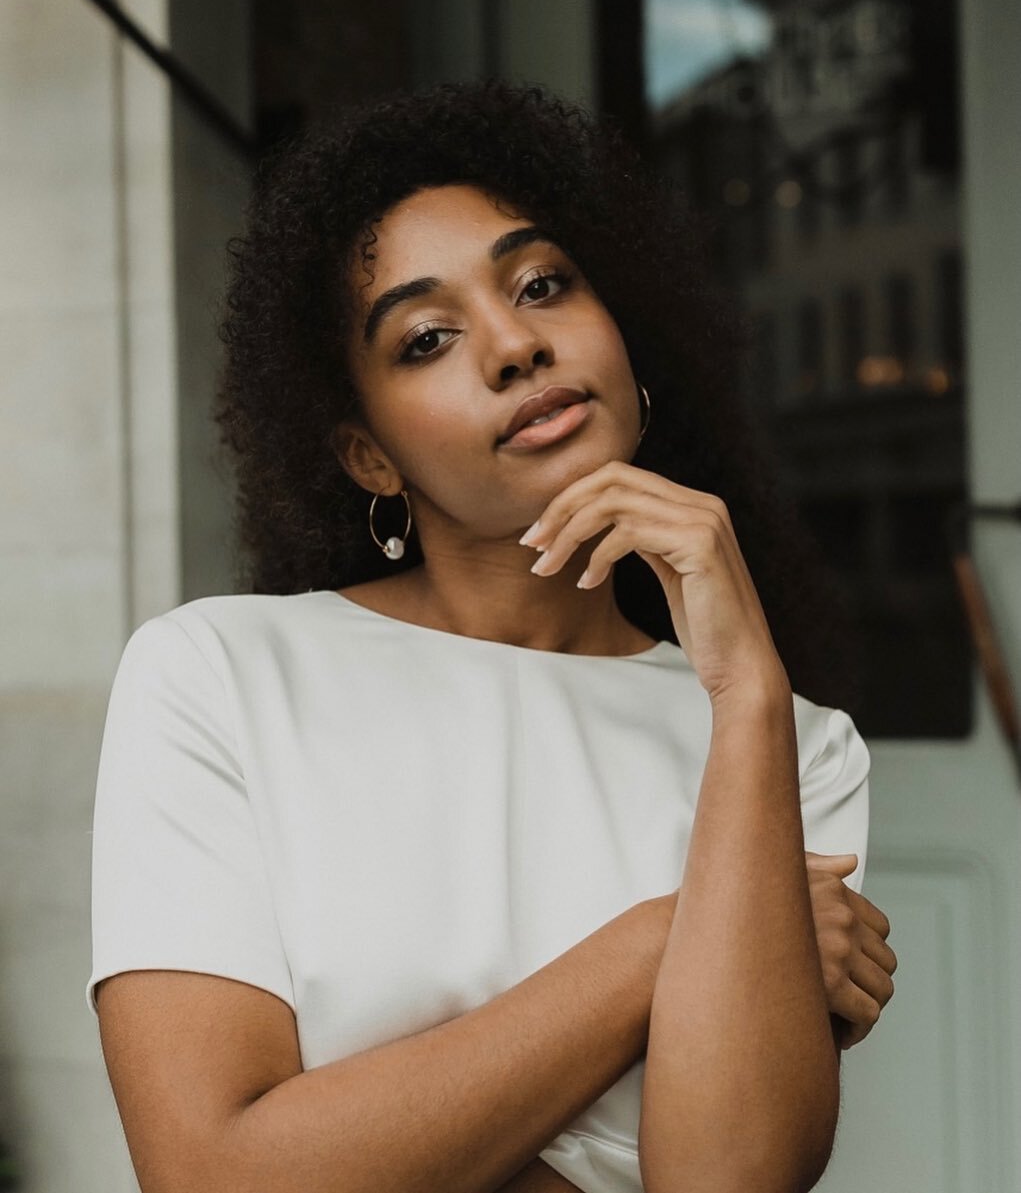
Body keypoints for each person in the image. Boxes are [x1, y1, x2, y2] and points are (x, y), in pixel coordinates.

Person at [88, 80, 897, 1193]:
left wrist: (746, 690)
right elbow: (214, 1171)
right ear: (369, 455)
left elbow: (729, 1177)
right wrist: (664, 938)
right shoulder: (219, 677)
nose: (515, 343)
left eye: (543, 284)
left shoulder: (792, 743)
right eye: (426, 337)